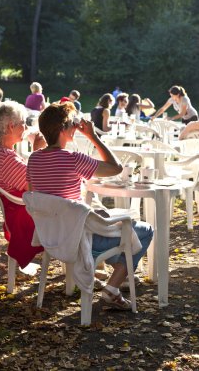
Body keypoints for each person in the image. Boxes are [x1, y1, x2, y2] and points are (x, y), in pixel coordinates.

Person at [26, 102, 153, 310]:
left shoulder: (33, 160)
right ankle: (113, 287)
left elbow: (35, 196)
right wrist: (93, 136)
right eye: (73, 124)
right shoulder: (73, 159)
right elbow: (115, 168)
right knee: (145, 231)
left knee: (111, 226)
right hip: (80, 239)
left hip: (52, 236)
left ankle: (119, 272)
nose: (75, 128)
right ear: (63, 129)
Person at [0, 101, 45, 269]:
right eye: (23, 123)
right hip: (26, 217)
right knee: (74, 214)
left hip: (18, 211)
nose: (25, 127)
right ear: (11, 127)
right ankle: (85, 266)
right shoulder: (6, 159)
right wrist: (37, 152)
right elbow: (36, 186)